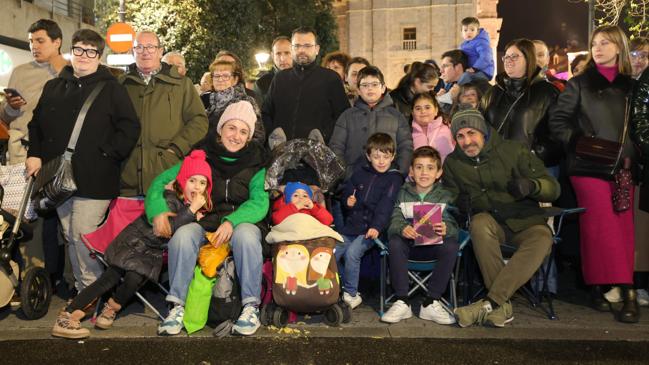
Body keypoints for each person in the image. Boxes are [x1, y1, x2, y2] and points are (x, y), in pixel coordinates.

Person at [51, 150, 212, 339]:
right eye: (192, 180)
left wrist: (193, 212)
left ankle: (111, 307)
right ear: (182, 181)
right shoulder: (169, 198)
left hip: (148, 254)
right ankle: (68, 314)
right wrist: (191, 211)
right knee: (109, 279)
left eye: (202, 183)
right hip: (132, 244)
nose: (197, 187)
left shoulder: (187, 205)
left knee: (132, 281)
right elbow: (167, 230)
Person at [26, 29, 141, 292]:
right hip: (59, 176)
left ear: (99, 56)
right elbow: (36, 124)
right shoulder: (55, 85)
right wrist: (35, 154)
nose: (84, 56)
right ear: (71, 51)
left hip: (95, 177)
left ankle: (89, 293)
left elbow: (130, 127)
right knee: (69, 236)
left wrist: (106, 155)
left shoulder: (112, 88)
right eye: (79, 49)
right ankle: (83, 288)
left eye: (91, 52)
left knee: (82, 236)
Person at [148, 100, 269, 336]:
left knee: (246, 235)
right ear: (220, 130)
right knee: (182, 234)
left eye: (243, 131)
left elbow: (259, 202)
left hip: (241, 223)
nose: (236, 136)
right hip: (204, 222)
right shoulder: (200, 158)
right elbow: (159, 183)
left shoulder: (257, 162)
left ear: (250, 136)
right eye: (231, 128)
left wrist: (231, 221)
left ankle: (250, 307)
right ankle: (177, 307)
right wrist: (157, 211)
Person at [549, 25, 638, 323]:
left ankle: (601, 286)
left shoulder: (632, 86)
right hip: (588, 165)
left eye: (605, 43)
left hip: (623, 168)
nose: (598, 48)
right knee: (601, 226)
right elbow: (558, 122)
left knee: (621, 229)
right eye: (595, 43)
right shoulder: (578, 84)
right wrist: (580, 143)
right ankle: (627, 290)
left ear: (619, 47)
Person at [444, 108, 560, 328]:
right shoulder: (453, 163)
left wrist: (532, 186)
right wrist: (458, 202)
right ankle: (499, 304)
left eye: (471, 133)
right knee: (479, 223)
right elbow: (450, 195)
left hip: (525, 222)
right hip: (490, 223)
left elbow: (553, 188)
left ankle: (493, 304)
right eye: (460, 136)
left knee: (543, 238)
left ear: (484, 132)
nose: (467, 141)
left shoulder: (514, 151)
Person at [0, 19, 68, 292]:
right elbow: (6, 115)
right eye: (31, 42)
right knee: (20, 217)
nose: (34, 46)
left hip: (55, 154)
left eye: (40, 41)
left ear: (57, 42)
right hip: (20, 151)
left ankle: (59, 277)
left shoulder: (70, 71)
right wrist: (12, 108)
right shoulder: (19, 71)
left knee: (57, 216)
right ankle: (27, 277)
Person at [119, 31, 208, 197]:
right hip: (128, 179)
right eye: (139, 47)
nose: (145, 52)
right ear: (133, 52)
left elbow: (199, 121)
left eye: (151, 47)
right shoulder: (121, 85)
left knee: (165, 222)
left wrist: (176, 149)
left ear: (160, 51)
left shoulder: (182, 85)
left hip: (167, 176)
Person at [380, 146, 459, 324]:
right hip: (409, 248)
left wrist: (447, 229)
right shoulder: (402, 193)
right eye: (419, 167)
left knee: (452, 245)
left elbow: (455, 224)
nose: (424, 173)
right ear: (411, 172)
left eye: (430, 168)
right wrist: (402, 228)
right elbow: (393, 218)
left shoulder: (446, 196)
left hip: (434, 248)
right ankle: (402, 301)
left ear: (439, 173)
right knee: (394, 242)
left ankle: (431, 302)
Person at [336, 133, 404, 309]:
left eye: (386, 156)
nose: (381, 161)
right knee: (331, 252)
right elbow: (347, 192)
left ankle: (351, 293)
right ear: (368, 156)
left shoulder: (394, 178)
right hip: (353, 226)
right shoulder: (360, 173)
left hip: (374, 229)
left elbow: (386, 205)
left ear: (393, 156)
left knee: (352, 253)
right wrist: (347, 202)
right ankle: (338, 287)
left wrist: (376, 226)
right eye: (376, 156)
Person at [482, 38, 561, 170]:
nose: (508, 60)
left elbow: (558, 132)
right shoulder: (493, 92)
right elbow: (480, 125)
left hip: (535, 169)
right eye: (506, 56)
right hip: (496, 167)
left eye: (514, 56)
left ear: (529, 59)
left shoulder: (547, 92)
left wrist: (535, 155)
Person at [262, 27, 349, 143]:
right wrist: (274, 136)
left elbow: (343, 117)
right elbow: (266, 113)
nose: (302, 50)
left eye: (307, 46)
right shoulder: (280, 78)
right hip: (282, 152)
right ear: (292, 49)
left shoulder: (330, 79)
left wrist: (324, 136)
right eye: (297, 46)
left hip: (318, 154)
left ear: (317, 49)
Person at [329, 65, 413, 179]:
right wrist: (346, 174)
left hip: (388, 179)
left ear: (383, 88)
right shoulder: (346, 116)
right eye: (364, 85)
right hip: (354, 181)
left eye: (374, 84)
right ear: (358, 90)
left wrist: (397, 173)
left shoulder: (396, 116)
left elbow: (406, 146)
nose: (370, 89)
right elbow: (336, 147)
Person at [629, 36, 649, 307]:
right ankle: (636, 284)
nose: (640, 59)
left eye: (645, 54)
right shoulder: (626, 85)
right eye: (636, 53)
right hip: (631, 164)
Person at [200, 59, 264, 143]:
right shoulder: (206, 99)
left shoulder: (245, 102)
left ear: (235, 79)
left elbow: (258, 136)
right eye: (217, 76)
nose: (220, 79)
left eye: (226, 76)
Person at [411, 93, 455, 162]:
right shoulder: (408, 133)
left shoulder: (449, 128)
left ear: (436, 111)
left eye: (427, 107)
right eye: (418, 108)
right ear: (413, 113)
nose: (423, 111)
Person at [458, 17, 494, 84]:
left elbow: (486, 57)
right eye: (465, 30)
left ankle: (453, 93)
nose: (469, 32)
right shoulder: (464, 44)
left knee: (465, 76)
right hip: (472, 70)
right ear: (461, 33)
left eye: (472, 30)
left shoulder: (481, 42)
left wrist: (475, 68)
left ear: (477, 31)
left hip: (482, 71)